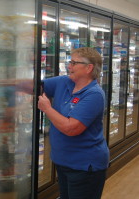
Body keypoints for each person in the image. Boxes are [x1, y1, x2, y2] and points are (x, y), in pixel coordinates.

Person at [38, 47, 109, 199]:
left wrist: (47, 108)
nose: (68, 66)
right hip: (64, 162)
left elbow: (71, 128)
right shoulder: (64, 82)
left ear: (89, 68)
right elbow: (36, 85)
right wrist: (1, 82)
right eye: (69, 62)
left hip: (84, 167)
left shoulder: (94, 94)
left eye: (73, 63)